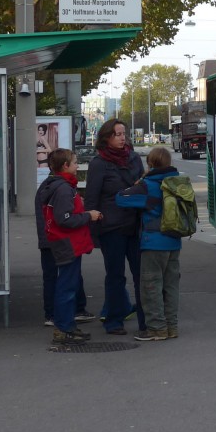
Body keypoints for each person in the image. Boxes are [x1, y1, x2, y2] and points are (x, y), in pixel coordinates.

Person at [84, 119, 147, 336]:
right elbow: (91, 198)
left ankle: (145, 321)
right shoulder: (99, 163)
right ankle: (114, 320)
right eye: (118, 134)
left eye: (124, 133)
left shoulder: (134, 158)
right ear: (106, 138)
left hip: (136, 225)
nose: (122, 138)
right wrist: (93, 234)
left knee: (141, 274)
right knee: (115, 275)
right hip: (111, 227)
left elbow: (144, 185)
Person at [116, 146, 182, 342]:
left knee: (151, 286)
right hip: (174, 242)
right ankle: (172, 326)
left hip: (153, 242)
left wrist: (138, 181)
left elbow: (121, 199)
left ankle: (156, 329)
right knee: (171, 287)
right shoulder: (177, 182)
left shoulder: (149, 184)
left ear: (150, 163)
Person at [36, 149, 102, 344]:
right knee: (67, 286)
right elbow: (64, 219)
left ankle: (65, 326)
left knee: (66, 284)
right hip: (68, 243)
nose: (77, 165)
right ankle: (64, 327)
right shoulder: (64, 189)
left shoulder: (55, 186)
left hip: (63, 242)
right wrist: (88, 216)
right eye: (74, 162)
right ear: (65, 166)